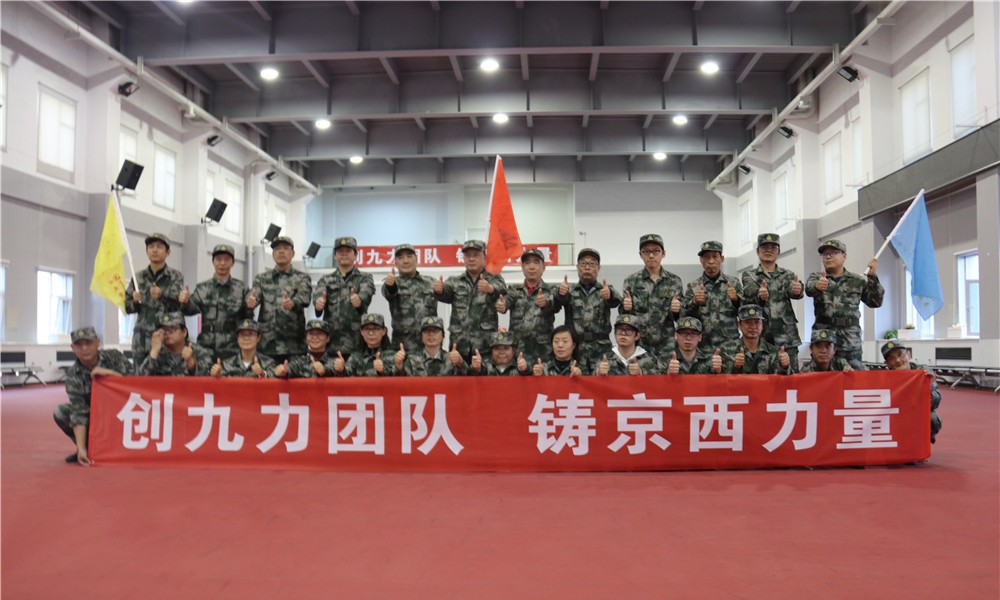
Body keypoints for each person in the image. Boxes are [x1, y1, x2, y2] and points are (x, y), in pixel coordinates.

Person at [53, 327, 132, 466]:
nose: (84, 348)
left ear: (97, 343)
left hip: (125, 414)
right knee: (61, 412)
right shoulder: (73, 375)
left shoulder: (114, 357)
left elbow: (136, 384)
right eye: (79, 345)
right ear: (73, 348)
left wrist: (111, 375)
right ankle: (88, 450)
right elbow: (79, 413)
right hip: (97, 418)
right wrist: (81, 448)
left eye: (88, 343)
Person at [805, 239, 884, 370]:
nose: (828, 256)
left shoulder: (856, 280)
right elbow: (809, 289)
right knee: (823, 377)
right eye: (824, 254)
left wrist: (873, 277)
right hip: (824, 342)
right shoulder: (817, 277)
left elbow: (875, 302)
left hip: (850, 340)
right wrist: (817, 286)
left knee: (852, 375)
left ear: (844, 256)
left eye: (833, 253)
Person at [433, 239, 507, 361]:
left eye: (476, 255)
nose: (471, 259)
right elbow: (446, 292)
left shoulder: (493, 278)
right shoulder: (455, 281)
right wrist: (439, 290)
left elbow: (503, 289)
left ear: (484, 257)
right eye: (468, 256)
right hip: (459, 346)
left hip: (485, 348)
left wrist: (490, 289)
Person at [740, 233, 804, 369]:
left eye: (773, 247)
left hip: (787, 337)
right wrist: (759, 295)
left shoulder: (787, 275)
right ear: (757, 251)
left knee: (790, 375)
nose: (768, 250)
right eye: (764, 247)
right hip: (761, 337)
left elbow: (794, 291)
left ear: (778, 252)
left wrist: (798, 290)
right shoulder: (749, 275)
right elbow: (748, 293)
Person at [179, 243, 251, 361]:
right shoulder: (202, 288)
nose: (222, 263)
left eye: (226, 259)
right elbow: (190, 310)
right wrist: (186, 302)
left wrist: (250, 307)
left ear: (233, 263)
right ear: (213, 262)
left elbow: (247, 317)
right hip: (206, 346)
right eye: (218, 259)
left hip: (232, 346)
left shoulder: (242, 288)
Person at [247, 236, 312, 363]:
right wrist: (251, 302)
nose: (281, 252)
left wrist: (293, 303)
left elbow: (305, 297)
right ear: (273, 254)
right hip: (266, 345)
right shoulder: (262, 278)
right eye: (277, 249)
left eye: (286, 248)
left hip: (294, 346)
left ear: (293, 253)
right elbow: (254, 296)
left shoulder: (302, 277)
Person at [124, 233, 185, 368]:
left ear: (168, 252)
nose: (155, 250)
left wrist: (162, 295)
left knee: (166, 376)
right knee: (141, 376)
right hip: (141, 339)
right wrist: (134, 301)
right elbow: (126, 308)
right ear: (147, 252)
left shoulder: (175, 276)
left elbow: (179, 306)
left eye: (159, 247)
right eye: (151, 247)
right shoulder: (138, 277)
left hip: (166, 338)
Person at [555, 248, 622, 366]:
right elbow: (556, 304)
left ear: (598, 268)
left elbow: (617, 301)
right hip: (576, 349)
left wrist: (609, 296)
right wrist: (561, 294)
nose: (587, 267)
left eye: (592, 264)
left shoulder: (605, 289)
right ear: (577, 267)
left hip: (601, 348)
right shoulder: (569, 290)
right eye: (583, 264)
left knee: (601, 376)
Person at [621, 234, 684, 356]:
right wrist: (626, 308)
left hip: (667, 345)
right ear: (640, 255)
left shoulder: (674, 281)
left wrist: (677, 310)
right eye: (646, 252)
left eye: (656, 251)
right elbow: (625, 317)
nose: (651, 255)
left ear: (663, 254)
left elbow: (681, 318)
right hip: (639, 344)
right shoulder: (631, 281)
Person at [313, 236, 375, 357]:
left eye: (348, 251)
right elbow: (318, 296)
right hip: (331, 344)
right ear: (335, 255)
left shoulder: (365, 278)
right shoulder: (325, 279)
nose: (344, 254)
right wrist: (318, 303)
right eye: (340, 251)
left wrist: (359, 300)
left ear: (355, 255)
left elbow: (366, 293)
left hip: (357, 343)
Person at [496, 248, 560, 364]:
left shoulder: (551, 290)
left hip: (543, 353)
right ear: (522, 267)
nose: (531, 267)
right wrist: (502, 305)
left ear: (543, 267)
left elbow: (556, 304)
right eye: (527, 263)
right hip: (518, 351)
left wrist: (546, 303)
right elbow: (506, 301)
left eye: (536, 262)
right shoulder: (514, 290)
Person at [682, 240, 742, 353]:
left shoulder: (734, 283)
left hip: (730, 347)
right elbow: (683, 317)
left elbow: (745, 313)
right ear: (701, 260)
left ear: (722, 259)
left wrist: (736, 300)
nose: (711, 261)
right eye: (707, 257)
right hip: (703, 348)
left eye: (715, 256)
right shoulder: (693, 286)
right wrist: (694, 302)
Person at [881, 340, 942, 444]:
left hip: (916, 412)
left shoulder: (923, 371)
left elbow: (936, 402)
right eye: (892, 358)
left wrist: (928, 386)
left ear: (909, 354)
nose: (898, 360)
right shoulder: (883, 378)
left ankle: (922, 443)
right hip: (895, 414)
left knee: (932, 418)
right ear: (887, 363)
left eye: (900, 355)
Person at [381, 243, 437, 353]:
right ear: (395, 263)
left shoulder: (431, 282)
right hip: (402, 348)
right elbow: (389, 292)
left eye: (409, 256)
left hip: (429, 346)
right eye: (400, 258)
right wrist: (390, 285)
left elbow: (446, 296)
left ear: (416, 259)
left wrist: (442, 290)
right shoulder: (392, 283)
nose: (405, 261)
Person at [720, 304, 792, 375]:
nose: (753, 326)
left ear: (762, 325)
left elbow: (782, 379)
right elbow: (722, 379)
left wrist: (785, 367)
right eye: (748, 322)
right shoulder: (727, 351)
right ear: (739, 325)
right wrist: (736, 367)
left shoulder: (773, 352)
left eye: (757, 322)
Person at [138, 312, 213, 376]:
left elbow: (209, 379)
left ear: (184, 332)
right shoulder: (157, 353)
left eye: (172, 329)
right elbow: (140, 380)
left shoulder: (198, 352)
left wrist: (192, 365)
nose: (167, 333)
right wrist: (154, 352)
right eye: (164, 330)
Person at [395, 316, 466, 376]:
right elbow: (401, 382)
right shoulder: (412, 360)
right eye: (426, 331)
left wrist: (461, 363)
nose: (431, 334)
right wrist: (399, 366)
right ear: (421, 336)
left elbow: (467, 378)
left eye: (435, 331)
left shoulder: (451, 359)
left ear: (443, 335)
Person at [596, 314, 660, 376]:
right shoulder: (605, 358)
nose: (623, 333)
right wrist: (599, 373)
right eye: (619, 329)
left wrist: (640, 373)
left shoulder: (649, 359)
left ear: (637, 336)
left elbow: (657, 380)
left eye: (628, 330)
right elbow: (593, 380)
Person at [209, 319, 275, 378]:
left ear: (258, 338)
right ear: (237, 338)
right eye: (242, 334)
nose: (246, 338)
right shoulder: (226, 365)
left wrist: (262, 374)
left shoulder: (268, 363)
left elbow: (274, 379)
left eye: (251, 334)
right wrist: (217, 376)